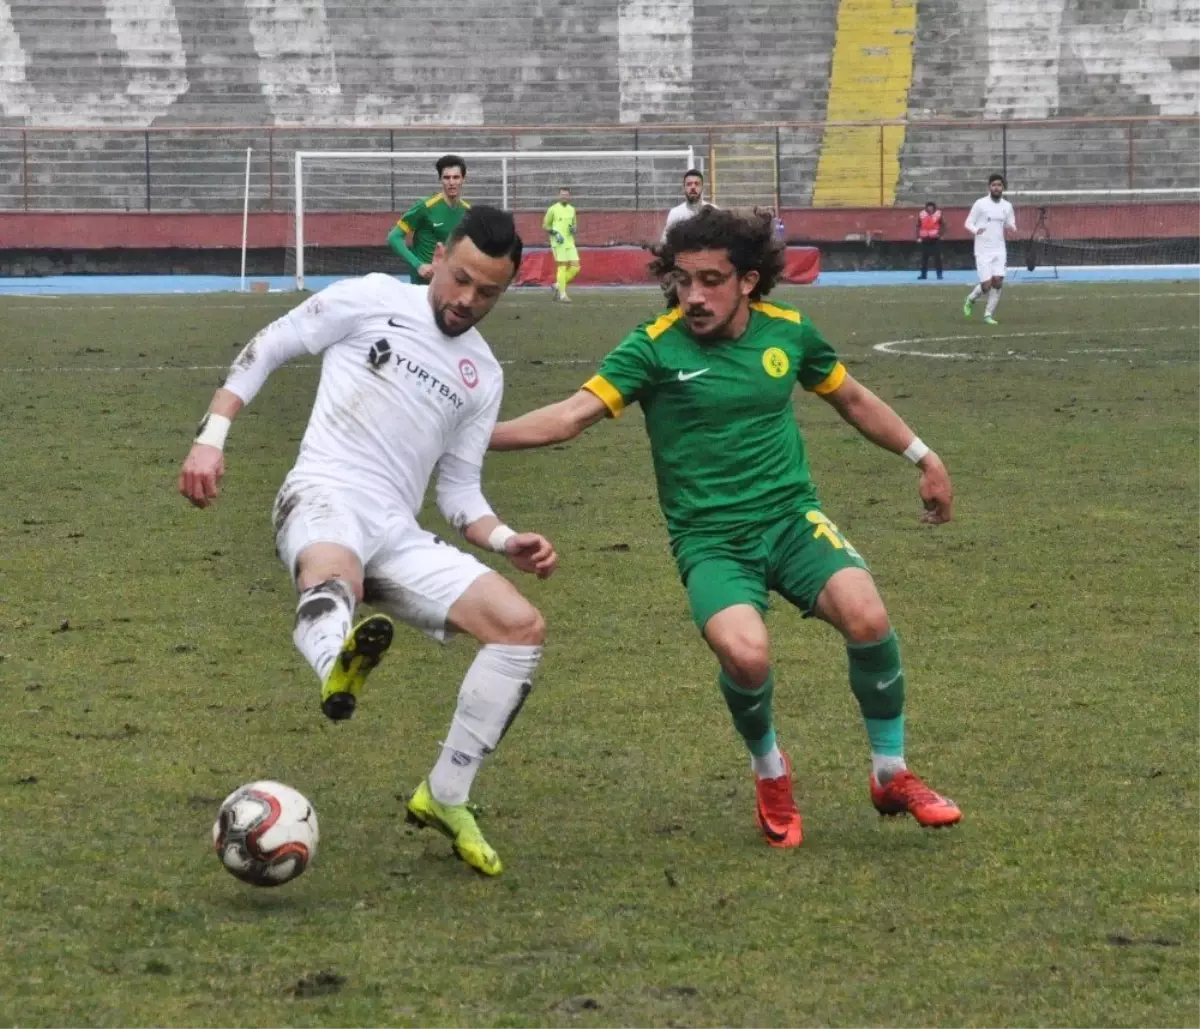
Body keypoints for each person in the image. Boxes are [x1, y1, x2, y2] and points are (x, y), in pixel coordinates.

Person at [490, 207, 961, 850]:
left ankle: (891, 772)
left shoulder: (788, 334)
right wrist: (474, 438)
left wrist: (924, 456)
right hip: (710, 539)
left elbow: (852, 399)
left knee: (868, 617)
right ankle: (770, 770)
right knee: (746, 654)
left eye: (711, 280)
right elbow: (570, 416)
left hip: (792, 520)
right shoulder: (654, 347)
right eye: (683, 281)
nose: (693, 297)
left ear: (747, 281)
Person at [179, 207, 555, 878]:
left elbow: (460, 493)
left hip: (398, 530)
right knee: (335, 574)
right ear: (438, 257)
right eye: (460, 279)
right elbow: (269, 346)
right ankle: (337, 666)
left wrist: (505, 538)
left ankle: (445, 795)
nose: (467, 301)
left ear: (506, 290)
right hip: (322, 493)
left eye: (487, 293)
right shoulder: (372, 297)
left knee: (520, 627)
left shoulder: (484, 375)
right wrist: (211, 438)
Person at [387, 154, 470, 285]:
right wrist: (418, 265)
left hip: (448, 285)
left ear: (463, 179)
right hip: (422, 286)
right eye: (446, 177)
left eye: (456, 177)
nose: (451, 182)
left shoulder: (467, 211)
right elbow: (394, 237)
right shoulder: (425, 206)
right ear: (440, 180)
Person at [963, 174, 1016, 324]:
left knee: (997, 282)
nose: (996, 188)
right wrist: (975, 230)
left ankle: (988, 315)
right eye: (994, 185)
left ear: (1003, 188)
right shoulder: (980, 204)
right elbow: (968, 223)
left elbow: (1009, 222)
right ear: (989, 187)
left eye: (999, 185)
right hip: (983, 250)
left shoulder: (1007, 206)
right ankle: (970, 299)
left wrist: (1012, 227)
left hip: (999, 249)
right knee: (986, 286)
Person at [543, 186, 579, 302]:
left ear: (569, 197)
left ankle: (557, 285)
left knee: (575, 267)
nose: (564, 196)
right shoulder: (552, 209)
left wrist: (573, 229)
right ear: (559, 196)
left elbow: (574, 225)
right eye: (562, 194)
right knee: (562, 267)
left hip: (569, 242)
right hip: (558, 243)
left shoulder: (572, 209)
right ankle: (563, 295)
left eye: (566, 195)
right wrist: (555, 233)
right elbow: (545, 225)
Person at [661, 168, 711, 242]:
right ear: (684, 188)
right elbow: (665, 242)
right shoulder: (675, 213)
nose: (693, 187)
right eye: (689, 184)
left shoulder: (712, 211)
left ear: (702, 188)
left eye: (697, 184)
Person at [916, 200, 944, 280]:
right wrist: (918, 237)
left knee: (937, 257)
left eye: (931, 207)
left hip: (935, 239)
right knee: (924, 258)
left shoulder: (938, 214)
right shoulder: (921, 214)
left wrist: (941, 234)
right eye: (928, 206)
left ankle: (939, 274)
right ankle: (923, 275)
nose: (930, 208)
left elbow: (943, 225)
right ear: (926, 207)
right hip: (925, 239)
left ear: (934, 207)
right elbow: (918, 226)